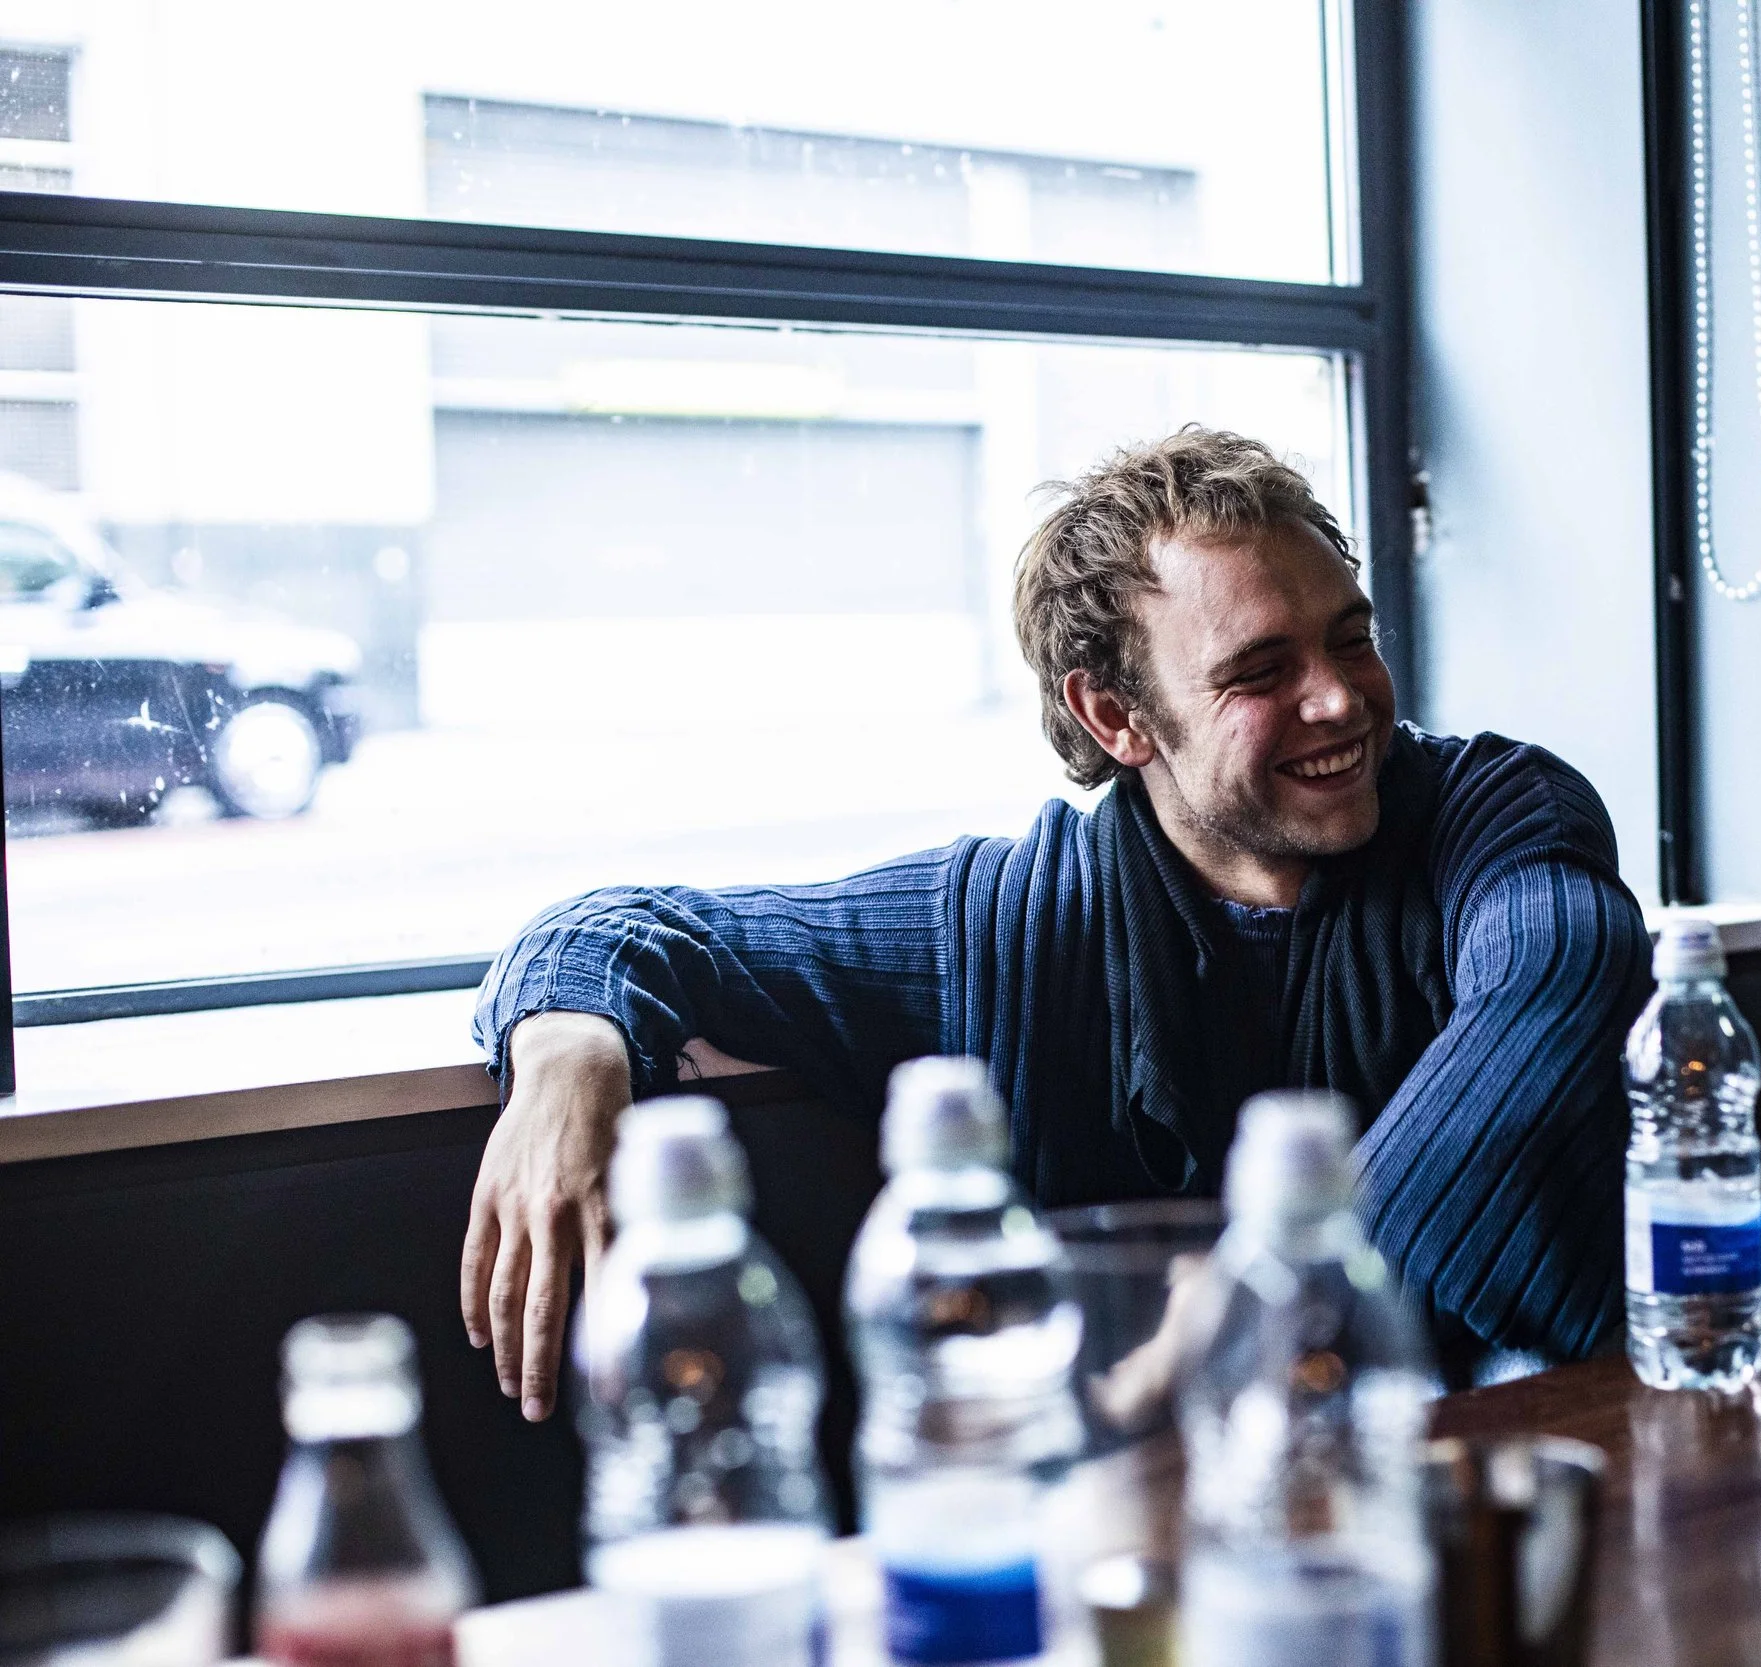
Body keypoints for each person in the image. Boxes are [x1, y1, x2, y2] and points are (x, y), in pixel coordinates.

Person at [461, 427, 1651, 1421]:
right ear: (1116, 713)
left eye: (1350, 636)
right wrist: (568, 1049)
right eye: (1259, 670)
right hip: (1165, 1540)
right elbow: (627, 929)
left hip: (1555, 1453)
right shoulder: (1012, 921)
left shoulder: (1496, 813)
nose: (1339, 696)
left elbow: (1557, 985)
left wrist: (1252, 1308)